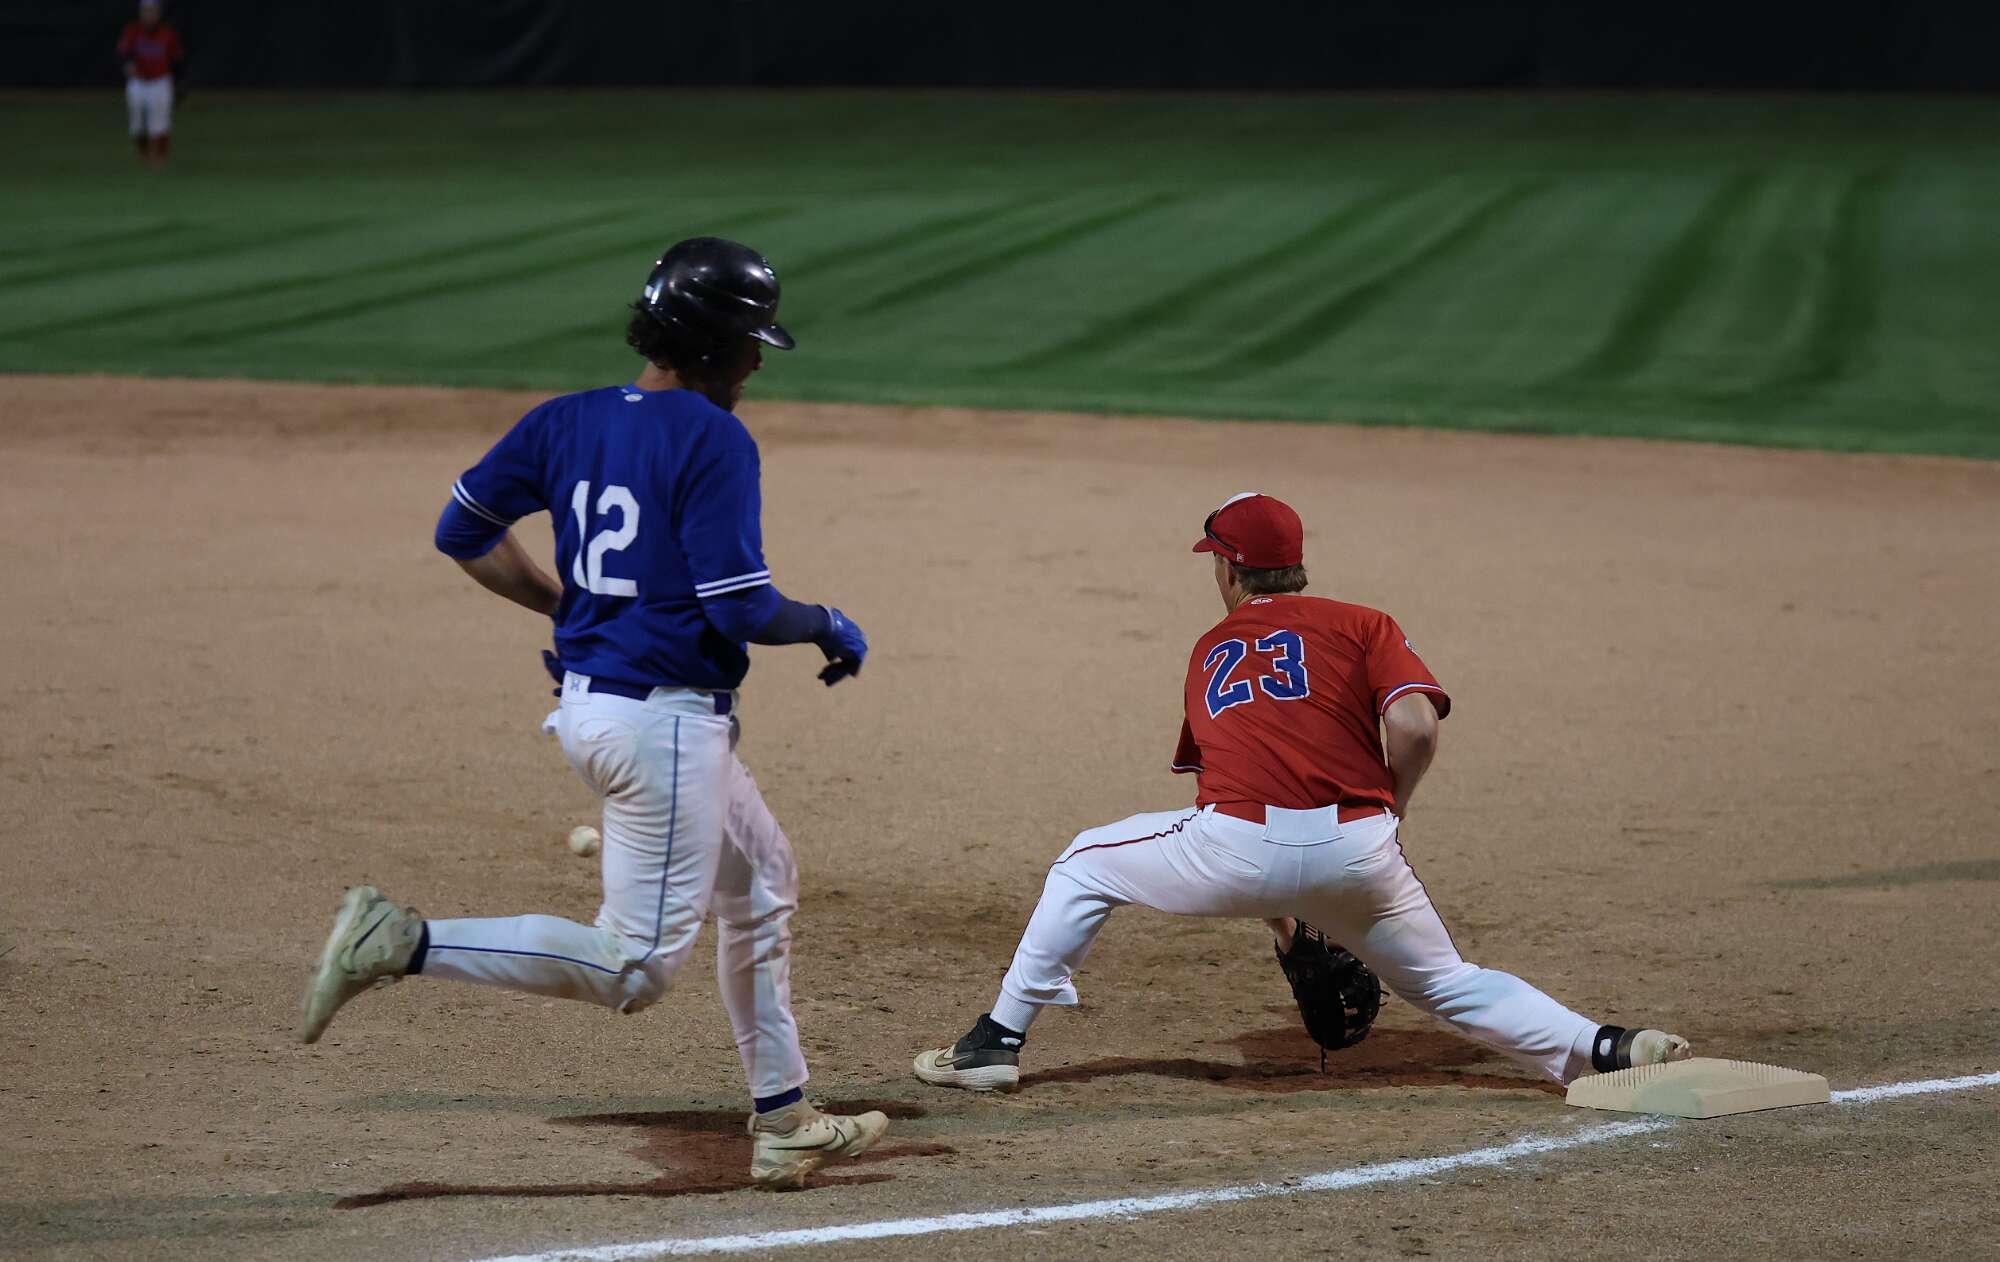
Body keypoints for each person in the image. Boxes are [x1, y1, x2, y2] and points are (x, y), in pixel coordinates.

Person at [298, 237, 889, 1191]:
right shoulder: (714, 438)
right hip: (662, 729)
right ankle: (399, 942)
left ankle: (784, 1119)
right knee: (632, 967)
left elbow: (464, 531)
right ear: (710, 344)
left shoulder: (564, 419)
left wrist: (562, 606)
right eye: (749, 343)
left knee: (759, 884)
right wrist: (828, 624)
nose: (755, 363)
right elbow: (740, 606)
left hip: (599, 706)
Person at [915, 492, 1691, 1094]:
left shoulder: (1211, 649)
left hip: (1234, 848)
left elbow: (1245, 806)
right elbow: (1415, 728)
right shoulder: (1364, 624)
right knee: (1449, 982)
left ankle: (996, 1043)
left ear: (1230, 570)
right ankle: (1604, 1047)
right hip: (1360, 853)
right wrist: (1391, 807)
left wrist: (1289, 928)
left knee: (1085, 862)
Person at [117, 1, 182, 168]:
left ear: (158, 13)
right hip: (138, 82)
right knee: (137, 123)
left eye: (152, 11)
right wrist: (127, 64)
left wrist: (178, 84)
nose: (149, 14)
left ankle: (160, 157)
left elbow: (177, 60)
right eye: (146, 11)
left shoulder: (167, 33)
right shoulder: (133, 31)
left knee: (160, 123)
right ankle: (143, 154)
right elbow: (123, 53)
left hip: (160, 81)